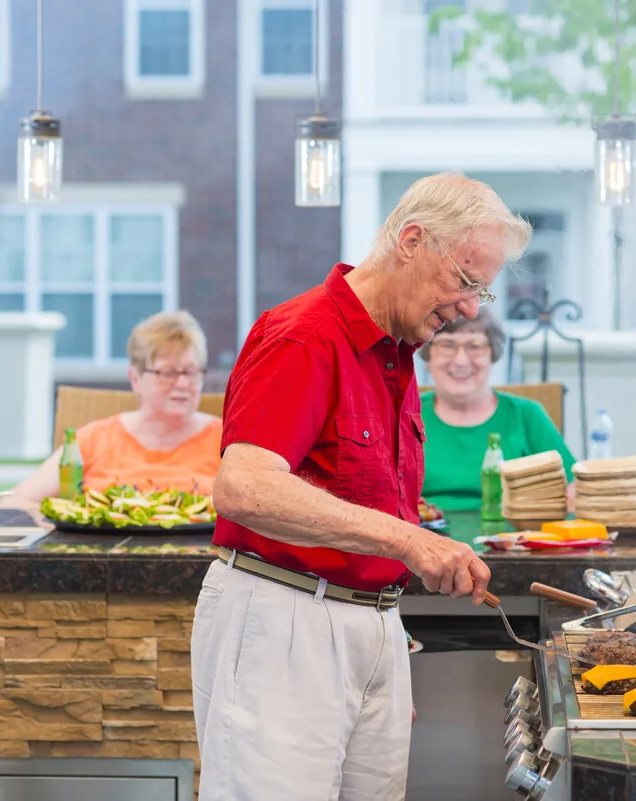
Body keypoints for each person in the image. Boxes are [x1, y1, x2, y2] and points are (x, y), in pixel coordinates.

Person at [191, 172, 532, 800]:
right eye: (465, 281)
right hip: (284, 622)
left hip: (368, 626)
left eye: (483, 289)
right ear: (411, 241)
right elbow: (243, 487)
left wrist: (378, 643)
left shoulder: (395, 352)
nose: (472, 309)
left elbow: (363, 509)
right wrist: (409, 541)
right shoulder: (303, 335)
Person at [5, 311, 220, 507]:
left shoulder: (227, 442)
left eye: (191, 372)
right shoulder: (93, 440)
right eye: (167, 372)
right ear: (134, 378)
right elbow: (14, 503)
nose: (182, 384)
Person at [419, 313, 575, 510]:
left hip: (513, 536)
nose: (460, 361)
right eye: (447, 345)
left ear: (493, 354)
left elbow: (570, 490)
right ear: (427, 355)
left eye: (475, 346)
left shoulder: (527, 415)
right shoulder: (404, 414)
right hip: (420, 535)